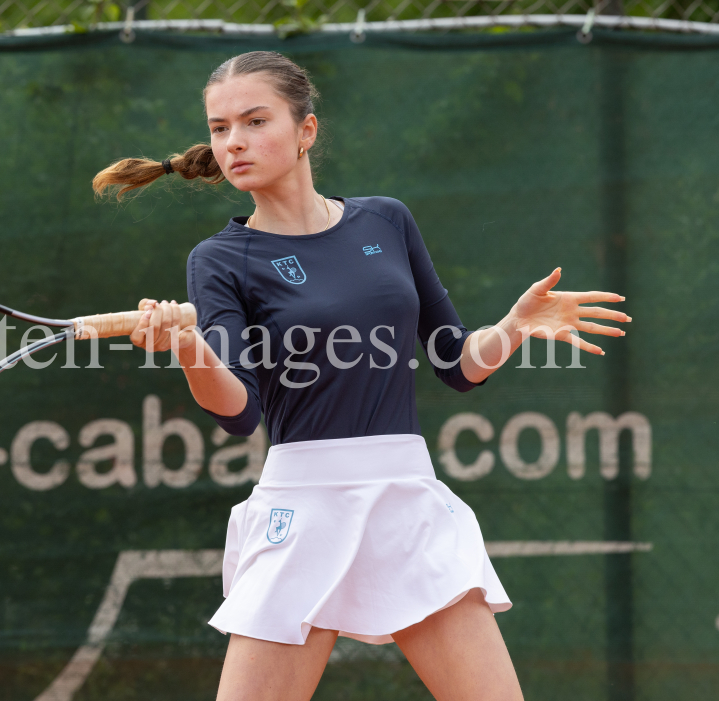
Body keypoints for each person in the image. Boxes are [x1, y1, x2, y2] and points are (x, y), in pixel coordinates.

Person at [92, 51, 629, 701]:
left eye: (255, 121)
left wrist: (512, 325)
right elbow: (237, 411)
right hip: (302, 509)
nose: (234, 141)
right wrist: (187, 346)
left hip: (408, 501)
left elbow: (457, 365)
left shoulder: (387, 220)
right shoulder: (220, 260)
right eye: (220, 127)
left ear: (306, 130)